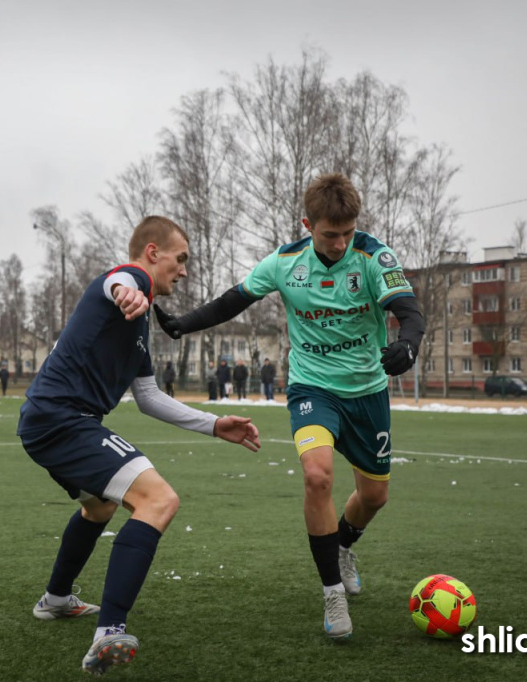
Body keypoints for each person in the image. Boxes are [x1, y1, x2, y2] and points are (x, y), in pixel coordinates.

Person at [153, 174, 424, 640]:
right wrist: (181, 324)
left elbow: (411, 311)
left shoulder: (375, 256)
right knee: (317, 476)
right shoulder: (285, 262)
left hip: (367, 391)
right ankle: (332, 593)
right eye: (329, 234)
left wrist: (408, 345)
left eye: (346, 232)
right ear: (307, 225)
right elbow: (233, 301)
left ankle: (344, 545)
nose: (339, 244)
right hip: (311, 388)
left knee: (375, 497)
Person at [18, 216, 261, 675]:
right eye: (180, 259)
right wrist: (127, 289)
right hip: (63, 419)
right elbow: (116, 279)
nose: (184, 270)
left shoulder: (139, 323)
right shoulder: (127, 285)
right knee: (159, 500)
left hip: (49, 421)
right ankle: (109, 631)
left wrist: (214, 425)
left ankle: (55, 598)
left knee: (100, 509)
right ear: (153, 252)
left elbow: (148, 398)